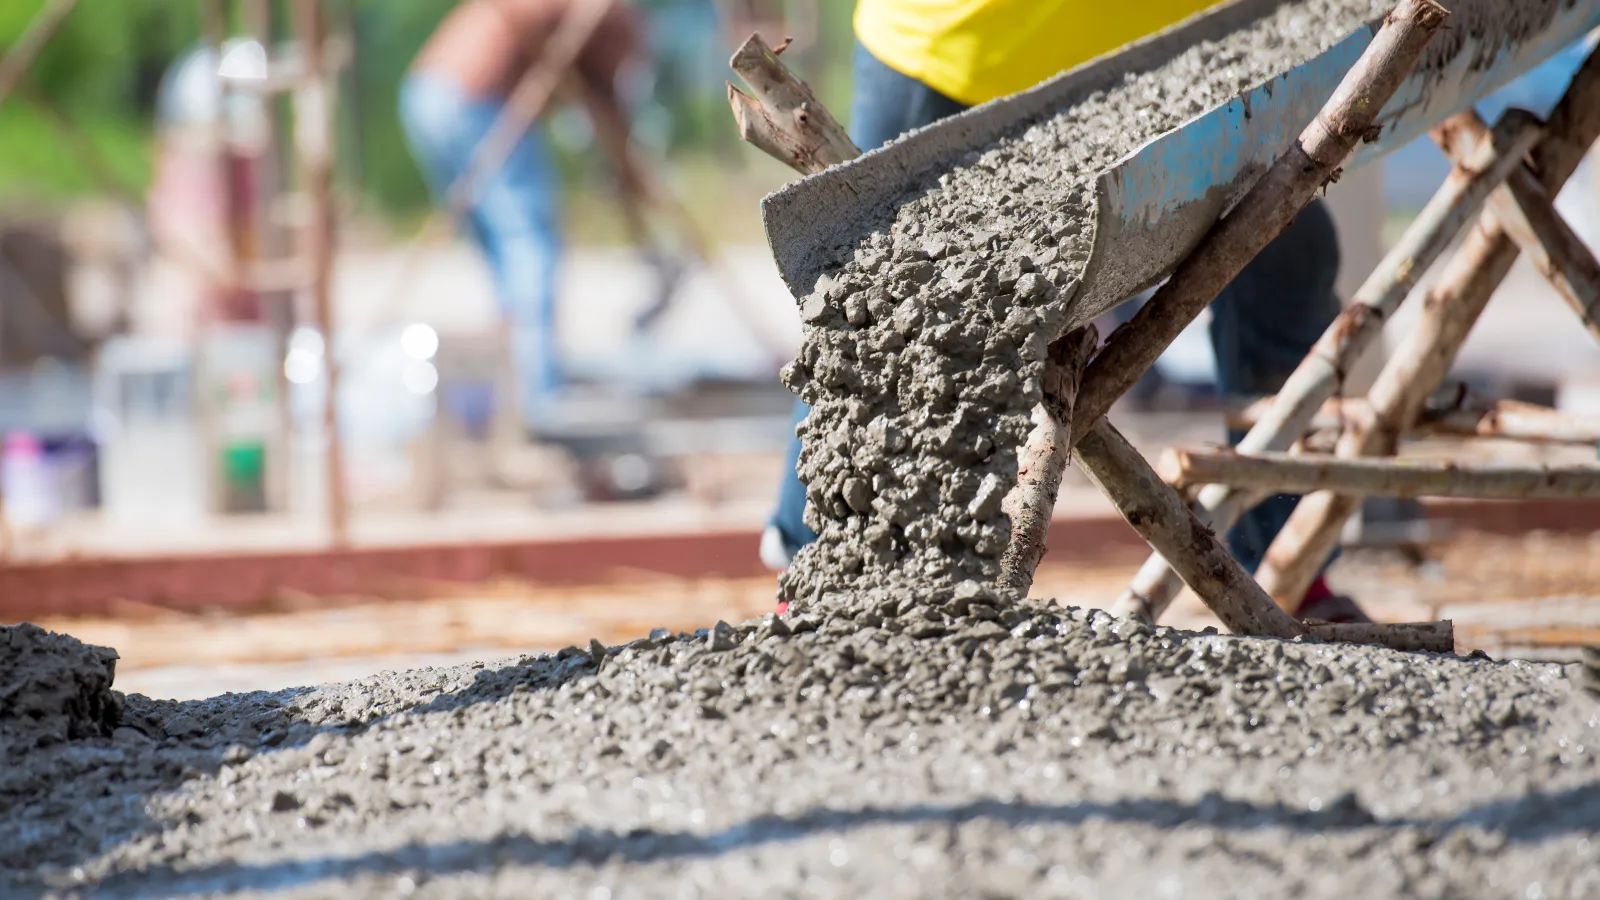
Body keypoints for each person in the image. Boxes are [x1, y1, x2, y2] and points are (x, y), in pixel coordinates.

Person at [759, 0, 1370, 623]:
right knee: (882, 308)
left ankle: (1293, 566)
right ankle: (819, 574)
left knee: (1287, 260)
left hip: (1185, 56)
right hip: (961, 52)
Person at [400, 0, 643, 433]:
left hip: (427, 94)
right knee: (529, 239)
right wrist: (632, 175)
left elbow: (600, 103)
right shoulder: (609, 18)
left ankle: (513, 379)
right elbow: (607, 101)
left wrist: (627, 175)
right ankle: (537, 396)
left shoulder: (591, 21)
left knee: (503, 252)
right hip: (474, 98)